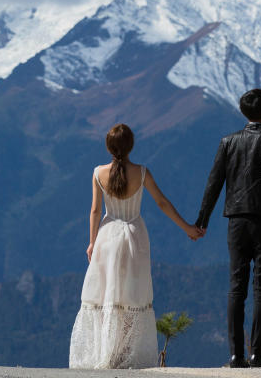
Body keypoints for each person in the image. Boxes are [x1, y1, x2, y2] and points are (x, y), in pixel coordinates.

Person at [69, 123, 202, 369]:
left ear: (108, 147)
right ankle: (124, 353)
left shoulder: (98, 173)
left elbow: (96, 210)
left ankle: (105, 350)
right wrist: (187, 228)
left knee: (106, 295)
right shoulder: (141, 173)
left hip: (107, 238)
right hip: (134, 237)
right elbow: (162, 203)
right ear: (131, 146)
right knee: (131, 295)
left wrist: (91, 242)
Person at [195, 88, 261, 368]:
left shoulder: (228, 142)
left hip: (236, 220)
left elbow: (214, 183)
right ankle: (258, 354)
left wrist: (202, 220)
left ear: (244, 112)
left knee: (236, 288)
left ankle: (235, 356)